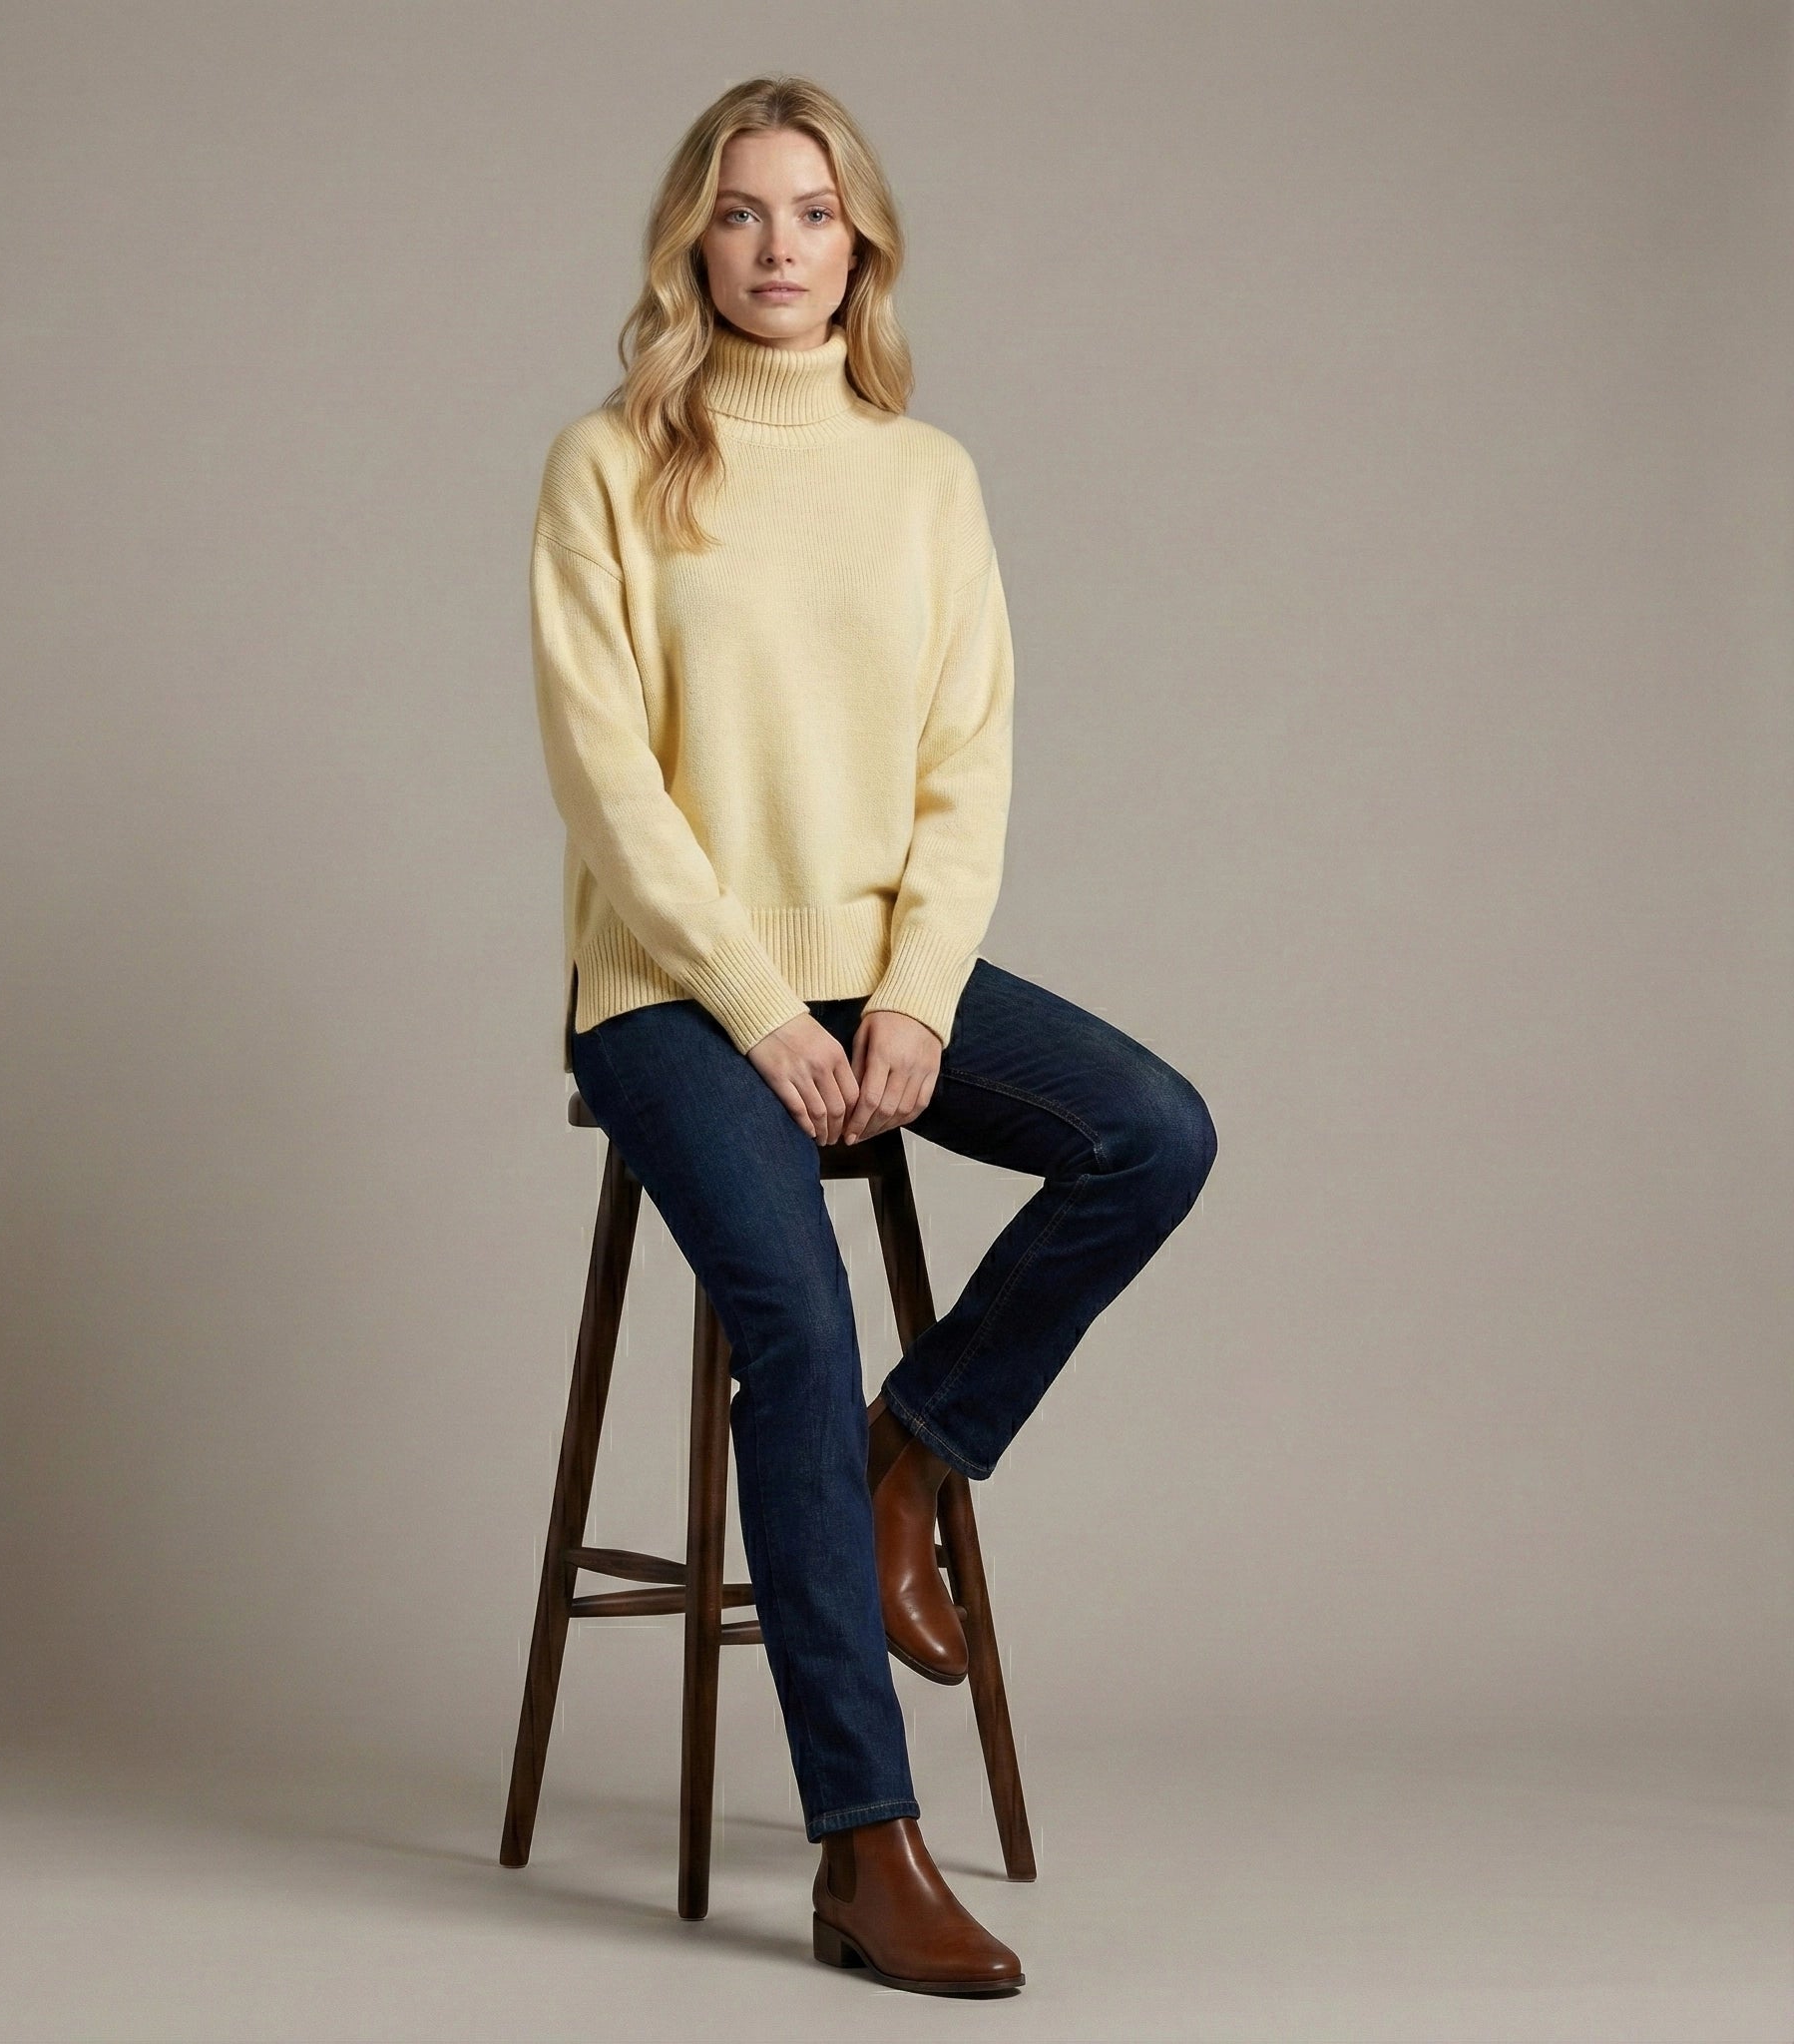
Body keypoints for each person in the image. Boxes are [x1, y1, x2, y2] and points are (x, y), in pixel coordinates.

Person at [528, 75, 1217, 1997]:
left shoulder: (928, 479)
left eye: (810, 213)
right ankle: (864, 1841)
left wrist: (909, 993)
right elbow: (609, 789)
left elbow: (965, 766)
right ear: (693, 240)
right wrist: (763, 1008)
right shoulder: (609, 466)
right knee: (796, 1314)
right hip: (670, 990)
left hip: (873, 961)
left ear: (863, 243)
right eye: (739, 214)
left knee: (1150, 1132)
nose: (774, 247)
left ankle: (918, 1452)